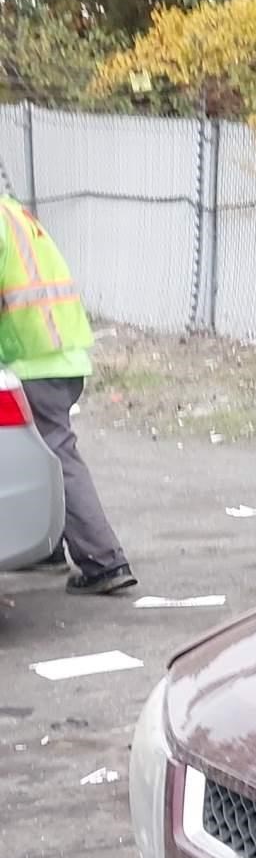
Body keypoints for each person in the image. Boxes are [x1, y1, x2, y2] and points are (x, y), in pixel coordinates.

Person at [1, 194, 134, 593]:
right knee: (39, 454)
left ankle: (104, 560)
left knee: (55, 453)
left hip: (33, 357)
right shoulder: (11, 210)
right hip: (59, 352)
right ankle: (47, 548)